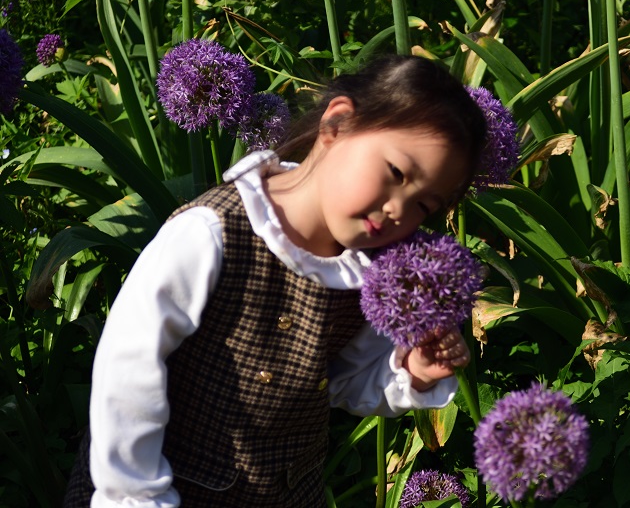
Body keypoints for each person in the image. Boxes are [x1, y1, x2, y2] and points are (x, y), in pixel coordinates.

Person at [64, 54, 488, 508]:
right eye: (396, 174)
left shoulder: (365, 269)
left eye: (425, 205)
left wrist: (413, 372)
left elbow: (346, 380)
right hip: (164, 491)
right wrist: (136, 496)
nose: (399, 209)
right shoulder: (211, 233)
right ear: (337, 124)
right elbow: (128, 373)